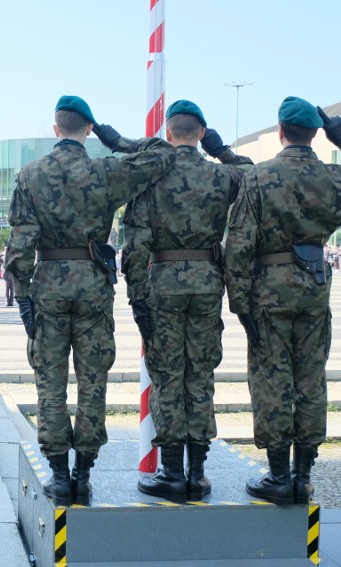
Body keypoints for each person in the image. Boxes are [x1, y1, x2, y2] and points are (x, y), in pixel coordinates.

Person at [224, 97, 341, 505]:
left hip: (268, 288)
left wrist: (239, 303)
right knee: (310, 379)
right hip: (315, 286)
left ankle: (278, 475)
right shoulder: (335, 177)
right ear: (316, 133)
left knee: (272, 378)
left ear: (281, 131)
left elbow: (238, 246)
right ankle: (303, 475)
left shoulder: (261, 177)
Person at [5, 95, 175, 506]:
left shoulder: (31, 175)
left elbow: (21, 243)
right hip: (94, 287)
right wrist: (115, 139)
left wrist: (23, 295)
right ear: (88, 130)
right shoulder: (106, 171)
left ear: (55, 128)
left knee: (50, 380)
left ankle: (60, 477)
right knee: (93, 380)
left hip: (47, 284)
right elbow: (163, 153)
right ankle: (83, 474)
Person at [112, 100, 251, 502]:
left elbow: (134, 242)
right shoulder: (222, 175)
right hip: (208, 284)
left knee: (168, 374)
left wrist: (137, 296)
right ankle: (199, 473)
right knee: (200, 374)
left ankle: (171, 472)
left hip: (163, 285)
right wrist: (223, 151)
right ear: (202, 134)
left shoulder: (152, 177)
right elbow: (258, 178)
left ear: (168, 134)